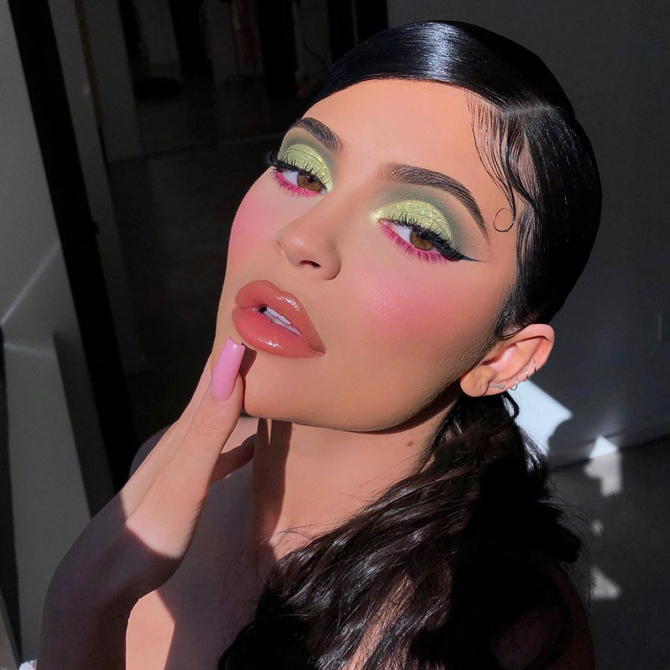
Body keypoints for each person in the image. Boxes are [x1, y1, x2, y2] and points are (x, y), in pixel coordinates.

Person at [35, 19, 601, 670]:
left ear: (504, 358)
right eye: (303, 171)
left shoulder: (502, 639)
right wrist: (88, 600)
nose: (302, 236)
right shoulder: (158, 477)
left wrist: (78, 612)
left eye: (419, 230)